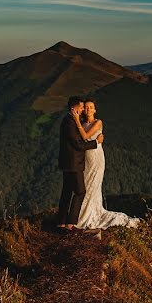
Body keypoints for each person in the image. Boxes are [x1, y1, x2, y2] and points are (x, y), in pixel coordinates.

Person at [72, 98, 140, 230]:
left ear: (95, 110)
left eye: (91, 107)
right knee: (85, 185)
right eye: (86, 107)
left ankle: (87, 216)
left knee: (92, 186)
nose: (88, 109)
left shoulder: (98, 122)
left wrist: (76, 121)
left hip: (96, 158)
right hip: (86, 159)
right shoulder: (83, 123)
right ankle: (80, 215)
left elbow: (85, 137)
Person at [57, 96, 103, 232]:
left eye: (87, 107)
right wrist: (96, 142)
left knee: (67, 192)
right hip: (73, 162)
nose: (84, 109)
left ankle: (61, 223)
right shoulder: (70, 122)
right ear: (74, 108)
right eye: (82, 107)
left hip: (71, 162)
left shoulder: (72, 120)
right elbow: (78, 144)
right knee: (80, 191)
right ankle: (70, 223)